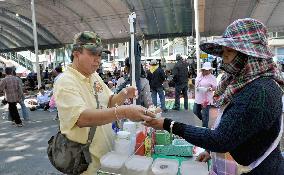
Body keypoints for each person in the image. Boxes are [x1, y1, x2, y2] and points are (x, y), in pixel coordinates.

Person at [145, 18, 284, 175]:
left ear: (249, 55)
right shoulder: (241, 83)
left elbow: (220, 139)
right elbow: (235, 129)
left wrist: (169, 125)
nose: (224, 57)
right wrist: (211, 152)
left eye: (230, 51)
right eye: (223, 51)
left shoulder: (260, 91)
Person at [53, 31, 155, 175]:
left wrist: (124, 93)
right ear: (76, 54)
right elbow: (82, 118)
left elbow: (110, 102)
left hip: (107, 159)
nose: (98, 59)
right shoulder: (65, 81)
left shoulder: (94, 76)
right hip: (87, 165)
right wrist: (124, 111)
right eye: (92, 54)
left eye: (100, 55)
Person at [193, 62, 217, 128]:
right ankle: (204, 121)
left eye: (208, 70)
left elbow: (215, 88)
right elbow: (196, 84)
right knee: (195, 111)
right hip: (198, 97)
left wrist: (210, 89)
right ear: (203, 69)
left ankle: (205, 128)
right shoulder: (199, 75)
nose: (207, 71)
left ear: (210, 70)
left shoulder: (212, 77)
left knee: (205, 115)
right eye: (206, 70)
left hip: (206, 99)